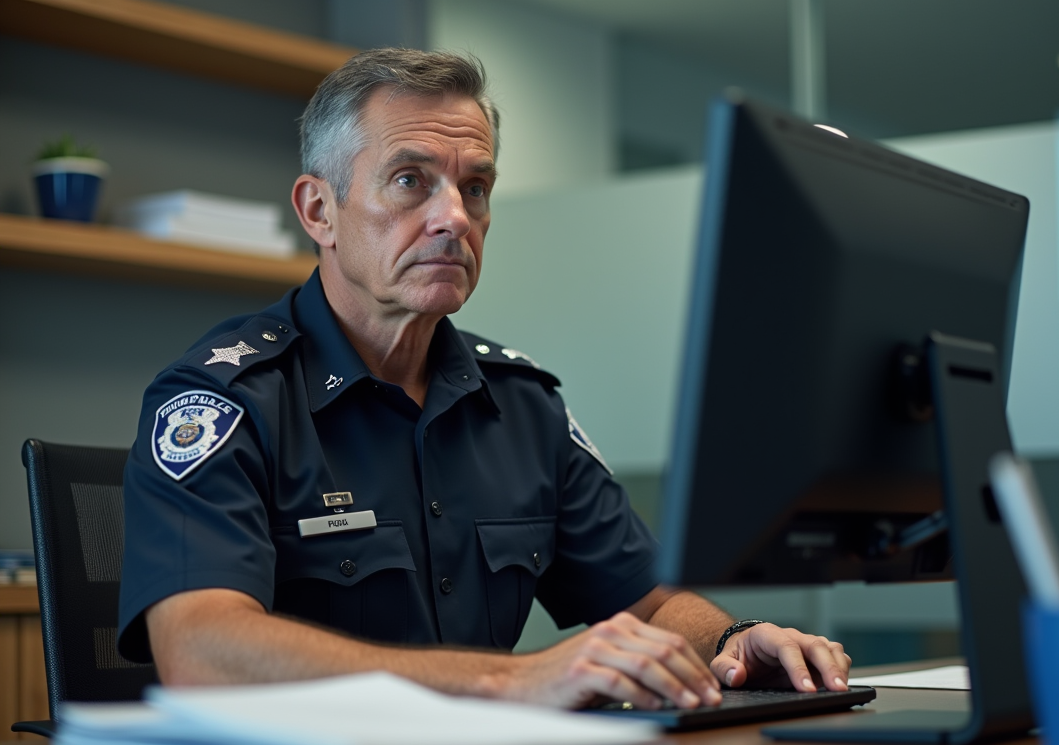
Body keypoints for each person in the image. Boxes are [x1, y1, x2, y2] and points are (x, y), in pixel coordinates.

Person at [117, 48, 851, 710]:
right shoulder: (225, 401)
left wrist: (732, 640)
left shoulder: (522, 407)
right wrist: (511, 678)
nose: (454, 217)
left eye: (476, 187)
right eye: (411, 181)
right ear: (320, 210)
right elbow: (200, 652)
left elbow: (650, 604)